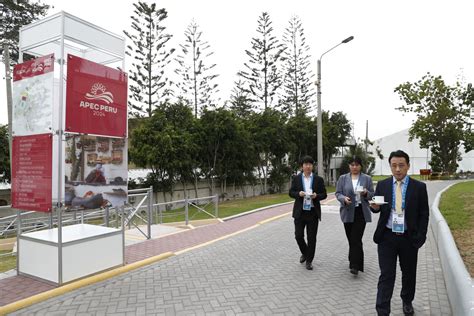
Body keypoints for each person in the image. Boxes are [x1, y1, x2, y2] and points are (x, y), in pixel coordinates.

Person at [370, 150, 429, 316]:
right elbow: (376, 207)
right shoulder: (382, 185)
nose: (397, 169)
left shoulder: (419, 187)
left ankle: (407, 300)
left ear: (408, 166)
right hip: (387, 236)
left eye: (401, 165)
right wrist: (373, 207)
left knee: (409, 273)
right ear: (390, 166)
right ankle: (382, 310)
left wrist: (420, 237)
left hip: (409, 238)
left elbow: (424, 214)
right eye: (394, 165)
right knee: (387, 274)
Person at [335, 156, 374, 276]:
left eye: (357, 165)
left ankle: (355, 266)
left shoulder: (367, 178)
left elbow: (372, 194)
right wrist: (343, 199)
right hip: (347, 211)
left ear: (361, 166)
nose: (354, 167)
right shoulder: (343, 178)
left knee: (356, 238)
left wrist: (366, 193)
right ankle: (353, 258)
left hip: (361, 211)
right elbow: (338, 193)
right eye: (352, 165)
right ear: (349, 166)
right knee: (351, 239)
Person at [289, 155, 327, 270]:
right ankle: (305, 253)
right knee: (298, 236)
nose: (308, 166)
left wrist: (316, 196)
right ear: (302, 166)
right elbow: (291, 192)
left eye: (310, 164)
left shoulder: (318, 179)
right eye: (306, 164)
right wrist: (298, 194)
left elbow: (324, 194)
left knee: (312, 238)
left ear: (313, 166)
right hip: (300, 212)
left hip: (312, 212)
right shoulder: (296, 178)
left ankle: (309, 261)